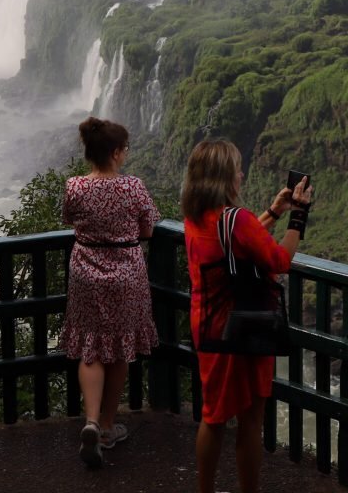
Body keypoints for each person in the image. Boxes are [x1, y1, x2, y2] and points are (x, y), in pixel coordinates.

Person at [181, 140, 312, 493]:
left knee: (213, 416)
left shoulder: (195, 216)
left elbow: (237, 241)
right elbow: (279, 260)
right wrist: (299, 214)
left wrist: (273, 211)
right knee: (250, 418)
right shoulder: (235, 219)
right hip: (243, 323)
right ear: (224, 177)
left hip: (208, 323)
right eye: (236, 169)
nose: (241, 174)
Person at [60, 117, 160, 469]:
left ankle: (90, 420)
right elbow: (148, 229)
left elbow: (69, 219)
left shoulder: (75, 186)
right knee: (119, 348)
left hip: (86, 272)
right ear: (116, 153)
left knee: (90, 347)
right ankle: (106, 426)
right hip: (125, 274)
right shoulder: (134, 187)